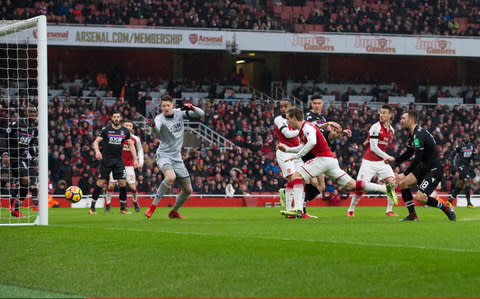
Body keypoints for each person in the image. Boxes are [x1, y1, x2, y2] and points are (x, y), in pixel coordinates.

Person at [277, 107, 397, 218]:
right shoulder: (303, 130)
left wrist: (297, 156)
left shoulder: (307, 127)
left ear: (294, 118)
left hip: (322, 159)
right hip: (330, 161)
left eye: (288, 119)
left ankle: (298, 209)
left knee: (297, 176)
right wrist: (287, 150)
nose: (287, 123)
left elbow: (312, 142)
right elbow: (302, 146)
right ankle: (385, 189)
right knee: (352, 185)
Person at [384, 110, 456, 221]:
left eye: (404, 118)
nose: (401, 121)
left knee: (420, 197)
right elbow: (409, 152)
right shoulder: (412, 134)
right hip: (424, 166)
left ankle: (446, 208)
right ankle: (412, 215)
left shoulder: (418, 134)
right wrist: (395, 159)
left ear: (411, 120)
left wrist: (405, 173)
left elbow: (418, 157)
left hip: (434, 168)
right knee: (403, 184)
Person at [144, 95, 205, 219]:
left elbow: (201, 114)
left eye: (168, 105)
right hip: (164, 155)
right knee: (170, 177)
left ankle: (174, 212)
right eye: (163, 106)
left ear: (172, 105)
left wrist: (192, 107)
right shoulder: (159, 118)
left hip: (177, 158)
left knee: (188, 190)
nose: (166, 108)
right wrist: (153, 126)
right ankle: (152, 207)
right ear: (161, 107)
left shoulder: (179, 113)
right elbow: (157, 132)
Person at [347, 104, 398, 217]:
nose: (382, 115)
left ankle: (389, 210)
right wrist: (387, 157)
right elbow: (374, 148)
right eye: (381, 112)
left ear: (390, 115)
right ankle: (350, 210)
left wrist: (384, 157)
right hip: (369, 161)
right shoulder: (375, 127)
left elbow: (380, 145)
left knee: (392, 183)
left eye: (384, 113)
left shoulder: (392, 131)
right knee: (360, 187)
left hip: (382, 162)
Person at [89, 111, 138, 215]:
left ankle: (123, 208)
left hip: (119, 161)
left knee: (122, 183)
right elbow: (96, 142)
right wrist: (97, 152)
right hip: (106, 160)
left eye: (118, 117)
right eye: (114, 117)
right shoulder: (106, 130)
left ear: (120, 119)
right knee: (100, 183)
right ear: (112, 118)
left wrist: (135, 159)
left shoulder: (125, 131)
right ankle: (92, 208)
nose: (116, 118)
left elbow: (131, 145)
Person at [105, 119, 144, 213]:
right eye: (126, 125)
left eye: (130, 126)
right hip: (116, 164)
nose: (128, 127)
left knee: (132, 187)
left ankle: (135, 202)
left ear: (132, 128)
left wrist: (140, 162)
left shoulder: (135, 139)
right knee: (111, 185)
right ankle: (108, 204)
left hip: (129, 166)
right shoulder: (116, 137)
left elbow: (140, 150)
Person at [7, 105, 38, 217]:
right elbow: (5, 138)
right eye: (31, 112)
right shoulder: (17, 124)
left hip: (23, 158)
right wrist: (5, 154)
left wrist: (35, 158)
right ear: (26, 113)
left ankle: (15, 208)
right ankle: (14, 207)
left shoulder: (34, 129)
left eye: (35, 112)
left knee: (24, 183)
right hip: (13, 157)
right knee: (25, 180)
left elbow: (31, 145)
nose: (33, 114)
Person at [274, 99, 303, 217]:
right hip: (284, 152)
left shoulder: (295, 119)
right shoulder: (278, 120)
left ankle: (298, 208)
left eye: (285, 106)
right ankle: (292, 209)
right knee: (293, 178)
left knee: (301, 179)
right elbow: (288, 134)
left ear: (291, 106)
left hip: (297, 152)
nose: (282, 109)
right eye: (281, 107)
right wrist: (301, 128)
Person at [448, 134, 477, 208]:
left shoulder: (472, 146)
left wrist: (474, 159)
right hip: (461, 166)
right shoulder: (460, 146)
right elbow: (452, 155)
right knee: (467, 182)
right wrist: (453, 167)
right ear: (463, 139)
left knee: (460, 185)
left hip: (467, 167)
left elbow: (474, 156)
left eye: (467, 137)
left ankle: (450, 200)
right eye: (465, 137)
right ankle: (469, 203)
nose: (466, 138)